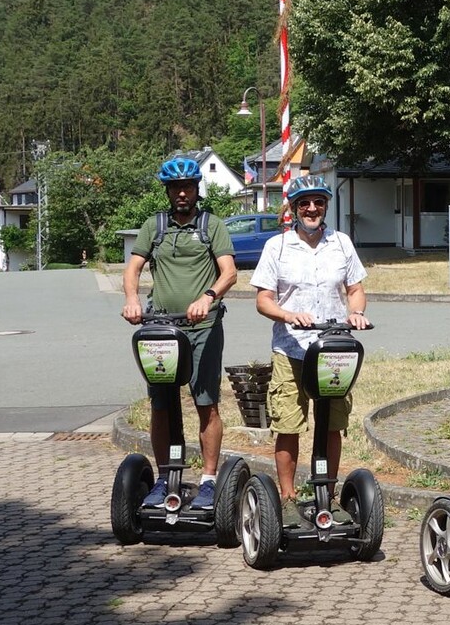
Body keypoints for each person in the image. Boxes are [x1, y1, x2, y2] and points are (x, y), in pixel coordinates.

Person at [249, 175, 371, 526]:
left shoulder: (341, 243)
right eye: (304, 203)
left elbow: (356, 288)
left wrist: (356, 312)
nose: (312, 209)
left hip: (333, 348)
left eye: (318, 202)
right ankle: (287, 499)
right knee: (288, 423)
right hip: (291, 349)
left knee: (332, 425)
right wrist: (288, 315)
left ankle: (327, 496)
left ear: (326, 206)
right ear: (293, 208)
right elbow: (262, 300)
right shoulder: (278, 246)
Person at [120, 155, 238, 510]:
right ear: (168, 192)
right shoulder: (153, 226)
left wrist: (208, 297)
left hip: (203, 327)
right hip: (161, 328)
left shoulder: (211, 225)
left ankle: (207, 480)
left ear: (196, 189)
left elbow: (229, 272)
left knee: (206, 404)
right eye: (175, 188)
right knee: (161, 405)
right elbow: (134, 267)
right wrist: (131, 299)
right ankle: (163, 477)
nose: (182, 193)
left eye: (187, 187)